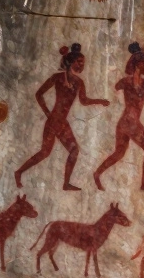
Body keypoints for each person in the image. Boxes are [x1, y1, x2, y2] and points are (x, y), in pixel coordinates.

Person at [14, 43, 109, 190]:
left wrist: (99, 101)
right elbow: (39, 94)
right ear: (71, 62)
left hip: (62, 122)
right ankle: (19, 172)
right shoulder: (57, 78)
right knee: (45, 153)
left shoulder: (79, 82)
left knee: (73, 150)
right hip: (54, 120)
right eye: (79, 62)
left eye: (83, 62)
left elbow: (84, 101)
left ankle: (65, 183)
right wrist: (47, 113)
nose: (82, 65)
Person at [93, 42, 144, 191]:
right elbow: (115, 86)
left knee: (119, 153)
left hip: (125, 122)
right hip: (130, 123)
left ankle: (97, 173)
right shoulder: (133, 82)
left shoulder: (143, 83)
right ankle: (143, 183)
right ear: (138, 65)